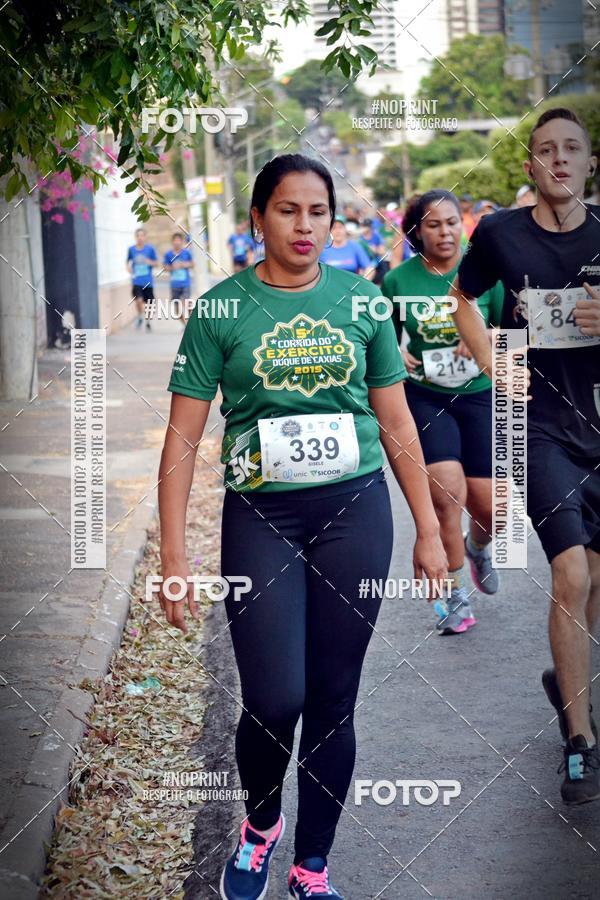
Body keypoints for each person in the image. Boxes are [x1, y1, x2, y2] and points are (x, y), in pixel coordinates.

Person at [159, 153, 447, 900]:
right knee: (274, 698)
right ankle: (259, 827)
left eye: (317, 211)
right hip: (262, 516)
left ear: (332, 219)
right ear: (258, 219)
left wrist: (428, 528)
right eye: (287, 210)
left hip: (354, 513)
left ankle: (312, 864)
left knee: (332, 699)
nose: (304, 225)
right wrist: (174, 556)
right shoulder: (221, 310)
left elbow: (395, 422)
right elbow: (183, 442)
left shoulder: (363, 304)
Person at [450, 107, 600, 804]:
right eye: (547, 150)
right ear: (531, 167)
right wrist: (490, 361)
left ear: (590, 164)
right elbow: (462, 299)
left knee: (594, 580)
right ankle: (580, 740)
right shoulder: (501, 234)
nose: (560, 159)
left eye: (573, 148)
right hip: (537, 425)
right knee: (569, 571)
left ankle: (567, 681)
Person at [382, 190, 504, 635]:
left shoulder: (487, 275)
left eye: (452, 222)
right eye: (434, 224)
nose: (445, 231)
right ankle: (454, 595)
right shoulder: (397, 282)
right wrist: (397, 353)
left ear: (463, 225)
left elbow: (512, 328)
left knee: (492, 509)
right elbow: (383, 340)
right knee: (446, 494)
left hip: (479, 393)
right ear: (417, 232)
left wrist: (479, 333)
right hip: (426, 397)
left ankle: (478, 546)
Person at [126, 227, 158, 331]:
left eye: (142, 235)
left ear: (145, 237)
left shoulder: (150, 249)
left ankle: (148, 321)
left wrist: (150, 262)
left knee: (149, 304)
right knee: (139, 300)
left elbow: (156, 263)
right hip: (137, 281)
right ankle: (140, 316)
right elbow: (128, 261)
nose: (140, 238)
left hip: (148, 282)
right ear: (136, 237)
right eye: (138, 236)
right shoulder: (131, 249)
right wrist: (129, 268)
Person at [163, 232, 194, 325]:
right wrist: (172, 267)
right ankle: (185, 325)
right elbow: (165, 267)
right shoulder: (168, 254)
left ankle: (192, 323)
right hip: (174, 284)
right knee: (177, 310)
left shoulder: (186, 253)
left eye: (179, 240)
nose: (177, 242)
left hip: (185, 283)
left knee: (186, 302)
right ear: (172, 242)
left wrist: (184, 264)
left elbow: (192, 264)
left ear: (182, 242)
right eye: (175, 241)